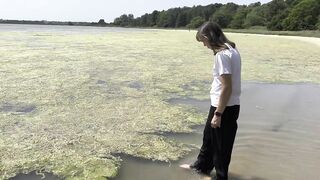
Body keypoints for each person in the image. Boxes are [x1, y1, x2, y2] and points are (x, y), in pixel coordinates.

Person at [180, 22, 241, 180]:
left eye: (203, 41)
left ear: (208, 37)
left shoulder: (222, 55)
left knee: (221, 147)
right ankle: (201, 167)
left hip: (224, 107)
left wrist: (218, 113)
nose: (204, 45)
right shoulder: (232, 49)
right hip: (224, 105)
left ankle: (220, 177)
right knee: (208, 138)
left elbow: (227, 87)